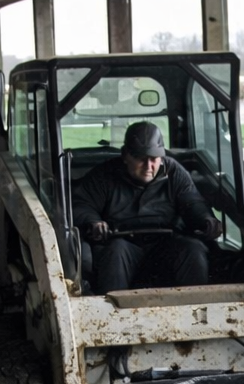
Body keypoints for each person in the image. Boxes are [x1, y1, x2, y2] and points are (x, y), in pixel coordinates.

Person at [72, 121, 224, 294]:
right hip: (122, 243)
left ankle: (196, 310)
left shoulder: (174, 172)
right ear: (125, 155)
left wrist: (206, 219)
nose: (149, 166)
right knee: (115, 252)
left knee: (193, 248)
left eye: (154, 159)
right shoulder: (104, 175)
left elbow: (192, 202)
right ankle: (113, 316)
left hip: (165, 243)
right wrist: (94, 221)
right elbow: (82, 204)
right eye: (141, 159)